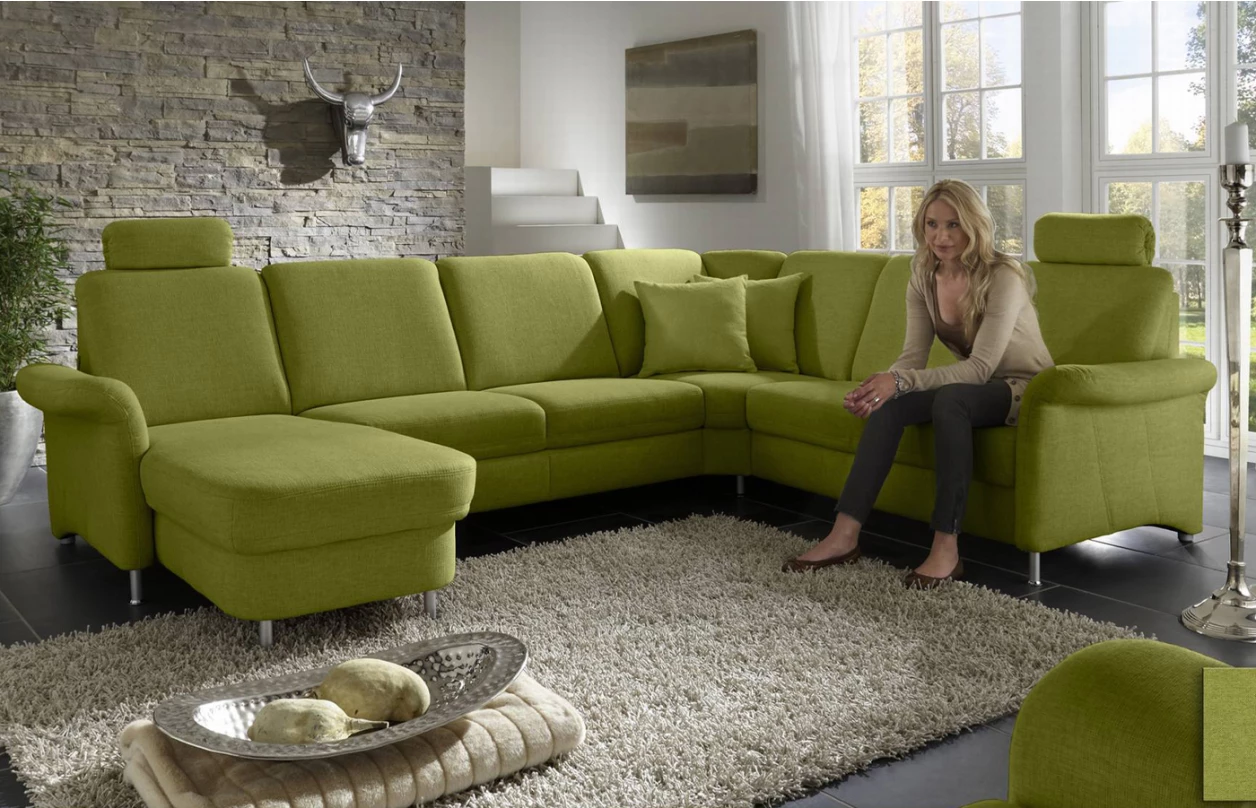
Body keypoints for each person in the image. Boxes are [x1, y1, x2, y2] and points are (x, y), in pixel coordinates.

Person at [783, 179, 1055, 589]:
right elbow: (913, 356)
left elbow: (980, 368)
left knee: (950, 401)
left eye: (953, 225)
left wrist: (899, 380)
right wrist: (878, 390)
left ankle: (946, 547)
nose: (941, 236)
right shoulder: (924, 275)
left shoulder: (1004, 276)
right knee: (892, 404)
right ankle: (843, 535)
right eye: (932, 224)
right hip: (974, 388)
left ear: (974, 225)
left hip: (1024, 389)